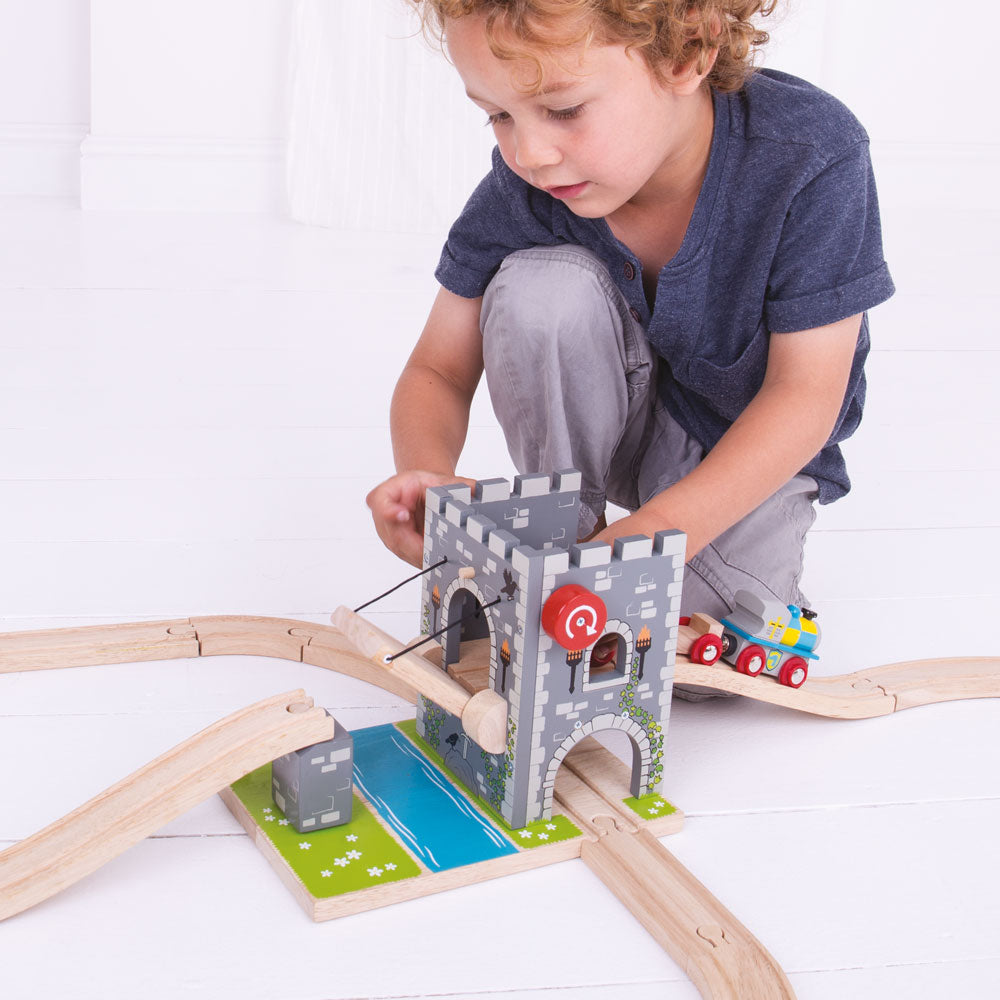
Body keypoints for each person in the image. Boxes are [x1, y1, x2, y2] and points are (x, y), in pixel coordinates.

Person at [365, 0, 894, 666]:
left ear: (689, 50)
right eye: (498, 115)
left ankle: (604, 575)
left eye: (563, 110)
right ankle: (566, 541)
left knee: (685, 652)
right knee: (538, 292)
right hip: (621, 428)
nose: (530, 153)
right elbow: (438, 368)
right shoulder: (525, 188)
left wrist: (653, 536)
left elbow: (806, 396)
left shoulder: (811, 153)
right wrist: (429, 479)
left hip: (750, 456)